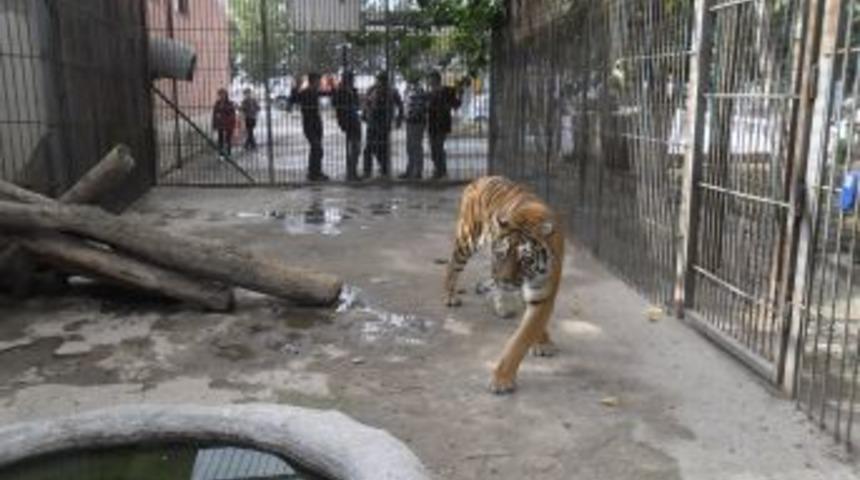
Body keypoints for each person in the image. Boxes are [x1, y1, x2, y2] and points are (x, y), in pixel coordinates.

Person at [288, 72, 331, 182]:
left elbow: (329, 93)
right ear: (313, 81)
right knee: (317, 148)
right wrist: (296, 86)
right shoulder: (305, 92)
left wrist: (332, 84)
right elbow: (292, 100)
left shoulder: (316, 92)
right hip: (309, 124)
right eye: (318, 81)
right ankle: (314, 173)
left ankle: (315, 172)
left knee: (317, 149)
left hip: (317, 123)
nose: (320, 83)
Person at [362, 71, 404, 179]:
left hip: (384, 123)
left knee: (382, 147)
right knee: (369, 148)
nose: (380, 82)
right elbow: (365, 103)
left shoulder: (392, 91)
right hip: (372, 122)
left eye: (383, 80)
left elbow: (400, 105)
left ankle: (384, 169)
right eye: (379, 80)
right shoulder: (372, 89)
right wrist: (365, 114)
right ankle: (367, 170)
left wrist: (399, 119)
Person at [426, 71, 466, 179]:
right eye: (429, 79)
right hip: (432, 124)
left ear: (436, 79)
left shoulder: (447, 90)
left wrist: (461, 94)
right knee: (433, 148)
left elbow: (456, 105)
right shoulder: (429, 93)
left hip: (442, 123)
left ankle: (441, 171)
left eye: (431, 79)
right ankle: (438, 169)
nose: (430, 81)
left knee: (438, 147)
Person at [332, 70, 362, 181]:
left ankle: (352, 171)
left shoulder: (352, 90)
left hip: (354, 120)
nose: (352, 81)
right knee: (354, 147)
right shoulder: (340, 91)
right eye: (351, 79)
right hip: (348, 122)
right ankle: (351, 172)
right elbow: (336, 104)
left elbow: (357, 105)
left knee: (355, 147)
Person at [400, 74, 428, 179]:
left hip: (416, 122)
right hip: (410, 121)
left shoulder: (418, 90)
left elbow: (419, 107)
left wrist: (413, 116)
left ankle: (417, 171)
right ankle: (410, 170)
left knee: (416, 146)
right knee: (410, 147)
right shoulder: (409, 89)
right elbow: (407, 105)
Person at [212, 88, 236, 157]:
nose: (221, 96)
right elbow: (215, 113)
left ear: (226, 95)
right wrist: (214, 124)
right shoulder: (217, 103)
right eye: (220, 94)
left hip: (228, 123)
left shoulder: (230, 103)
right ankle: (221, 153)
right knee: (220, 139)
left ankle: (228, 152)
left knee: (228, 138)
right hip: (220, 123)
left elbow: (232, 113)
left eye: (223, 94)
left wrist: (224, 110)